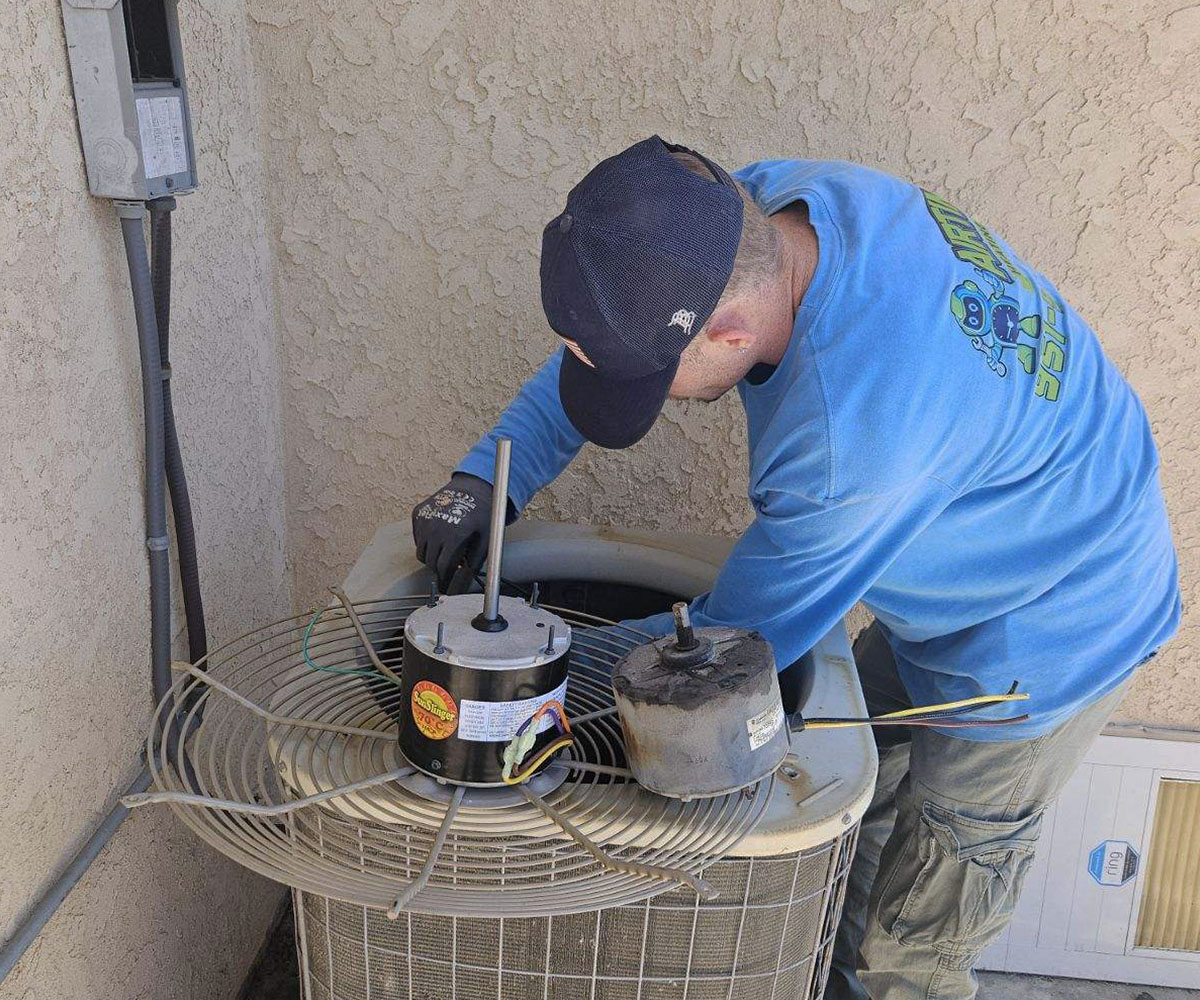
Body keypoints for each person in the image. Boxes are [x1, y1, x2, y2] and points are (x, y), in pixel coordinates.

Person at [411, 136, 1180, 1000]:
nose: (655, 399)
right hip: (995, 531)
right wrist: (486, 477)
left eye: (659, 380)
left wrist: (502, 679)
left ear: (732, 331)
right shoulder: (755, 212)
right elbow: (609, 345)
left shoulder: (845, 448)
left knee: (912, 950)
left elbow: (722, 657)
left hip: (1050, 630)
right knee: (858, 830)